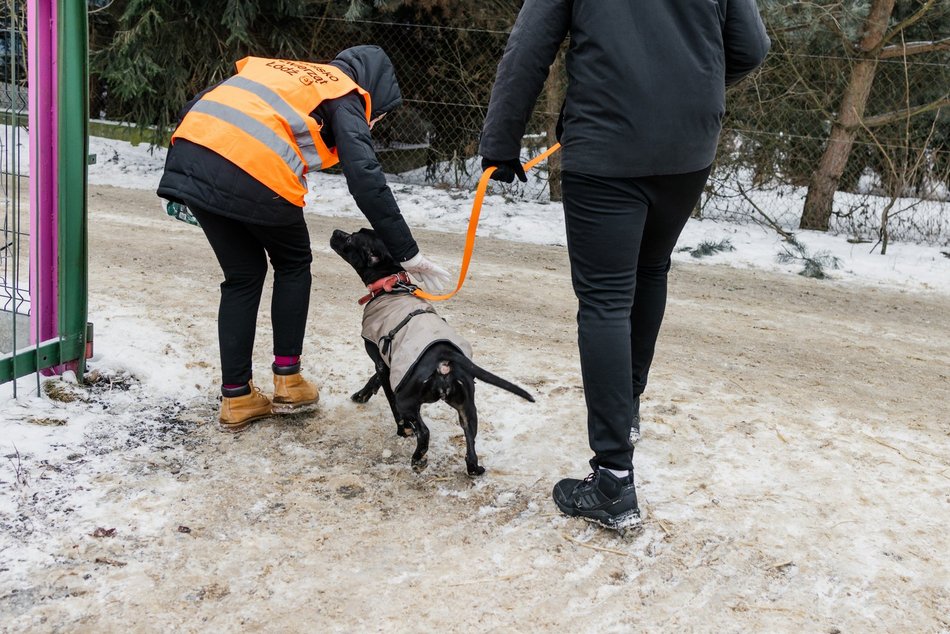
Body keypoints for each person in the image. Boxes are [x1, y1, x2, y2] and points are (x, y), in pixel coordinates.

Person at [480, 1, 770, 530]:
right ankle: (627, 406)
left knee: (605, 300)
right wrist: (689, 85)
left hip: (607, 144)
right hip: (688, 146)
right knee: (651, 268)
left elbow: (529, 47)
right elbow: (752, 47)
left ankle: (613, 478)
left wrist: (501, 141)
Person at [158, 45, 451, 432]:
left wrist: (190, 182)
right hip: (255, 170)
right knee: (293, 262)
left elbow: (199, 106)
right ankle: (289, 381)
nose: (374, 121)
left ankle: (237, 397)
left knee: (243, 275)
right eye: (377, 114)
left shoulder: (284, 71)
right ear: (371, 89)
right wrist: (407, 254)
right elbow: (365, 177)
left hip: (191, 159)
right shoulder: (343, 92)